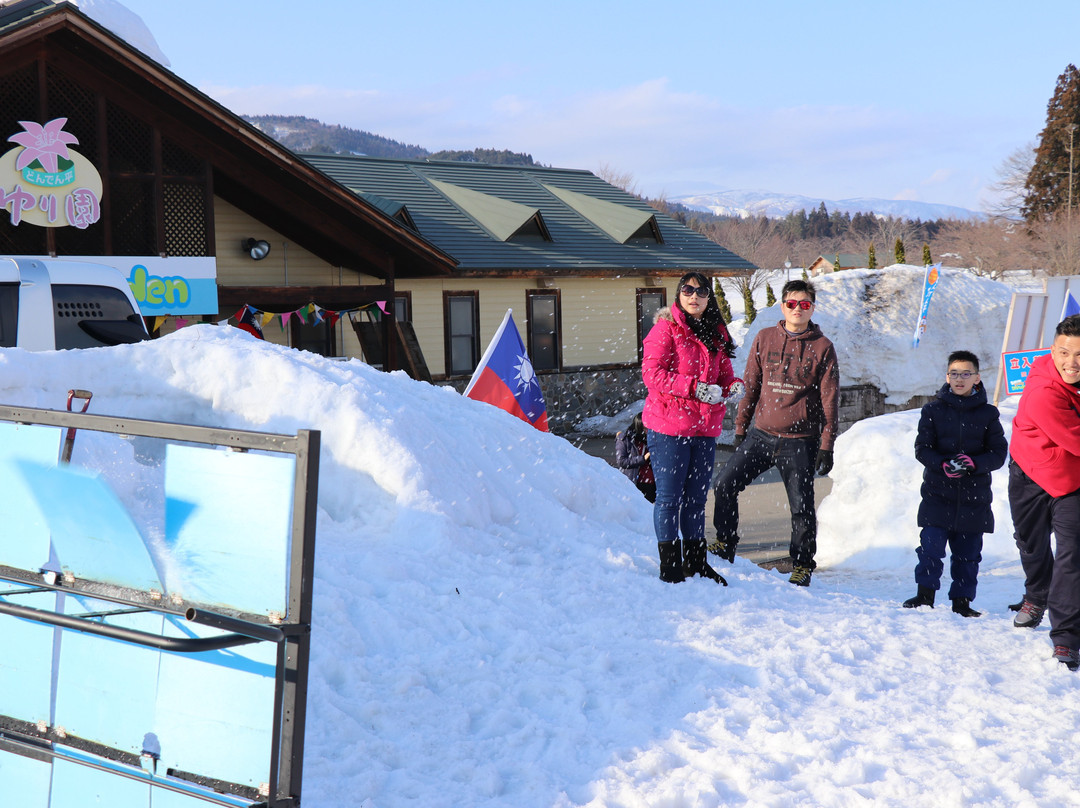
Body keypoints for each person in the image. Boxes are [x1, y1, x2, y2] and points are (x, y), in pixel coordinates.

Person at [709, 279, 839, 587]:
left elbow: (830, 401)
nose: (797, 309)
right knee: (724, 485)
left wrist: (826, 445)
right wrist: (740, 428)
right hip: (761, 435)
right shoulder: (765, 338)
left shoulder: (823, 348)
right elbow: (751, 386)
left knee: (801, 506)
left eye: (804, 304)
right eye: (792, 303)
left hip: (800, 441)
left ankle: (803, 563)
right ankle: (725, 542)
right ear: (783, 306)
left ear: (812, 308)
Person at [642, 271, 744, 585]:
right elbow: (652, 374)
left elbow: (725, 373)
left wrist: (733, 387)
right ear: (679, 293)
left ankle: (696, 563)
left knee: (697, 499)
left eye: (701, 292)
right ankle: (670, 566)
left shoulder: (715, 332)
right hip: (669, 426)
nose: (694, 297)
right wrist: (694, 388)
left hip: (704, 428)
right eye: (688, 290)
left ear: (708, 297)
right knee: (670, 498)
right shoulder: (666, 329)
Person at [903, 351, 1007, 617]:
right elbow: (922, 449)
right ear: (947, 376)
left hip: (975, 498)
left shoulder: (988, 414)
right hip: (938, 494)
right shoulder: (932, 410)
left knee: (968, 555)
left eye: (965, 374)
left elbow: (997, 453)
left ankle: (962, 602)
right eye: (954, 374)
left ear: (977, 378)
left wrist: (973, 464)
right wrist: (943, 465)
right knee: (930, 547)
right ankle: (924, 595)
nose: (959, 379)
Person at [1008, 314, 1080, 670]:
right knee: (1031, 544)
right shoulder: (1043, 392)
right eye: (1064, 353)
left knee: (1072, 553)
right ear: (1052, 350)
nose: (1072, 362)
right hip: (1030, 475)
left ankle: (1066, 637)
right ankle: (1037, 596)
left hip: (1072, 481)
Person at [615, 412, 656, 502]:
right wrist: (643, 458)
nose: (648, 431)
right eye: (645, 429)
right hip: (636, 483)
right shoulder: (625, 439)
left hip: (652, 483)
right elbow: (622, 461)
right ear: (639, 427)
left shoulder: (652, 439)